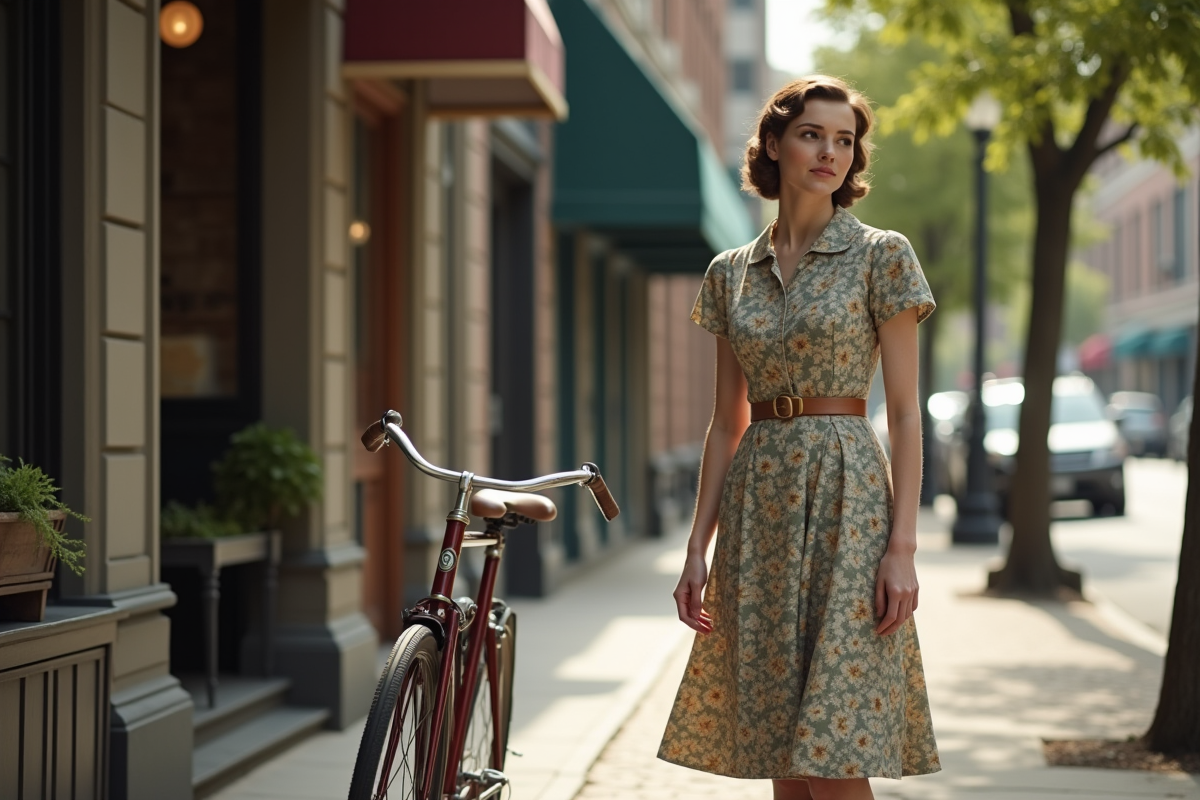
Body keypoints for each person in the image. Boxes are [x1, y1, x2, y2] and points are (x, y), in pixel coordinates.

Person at [656, 75, 941, 800]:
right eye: (814, 134)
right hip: (761, 504)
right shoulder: (730, 274)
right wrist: (698, 547)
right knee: (780, 741)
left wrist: (902, 547)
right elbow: (727, 421)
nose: (831, 153)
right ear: (775, 145)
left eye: (845, 140)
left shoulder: (883, 255)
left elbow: (905, 413)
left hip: (848, 497)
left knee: (834, 748)